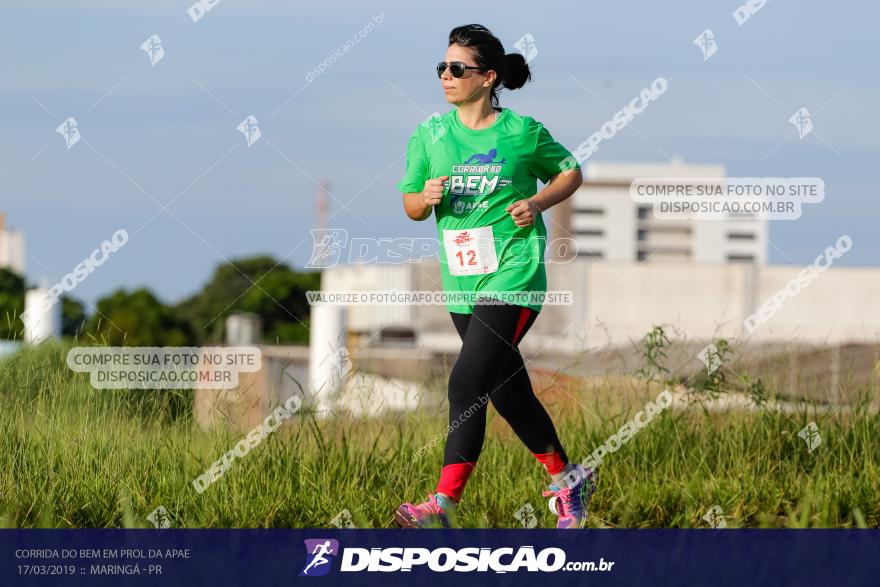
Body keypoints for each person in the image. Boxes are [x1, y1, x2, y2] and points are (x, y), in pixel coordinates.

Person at [393, 24, 597, 529]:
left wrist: (535, 201)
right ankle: (570, 481)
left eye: (456, 68)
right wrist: (426, 200)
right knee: (507, 392)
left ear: (487, 78)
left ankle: (441, 506)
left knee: (465, 384)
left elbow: (569, 171)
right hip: (462, 280)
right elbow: (410, 205)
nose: (445, 75)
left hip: (514, 274)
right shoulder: (429, 135)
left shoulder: (522, 133)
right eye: (441, 67)